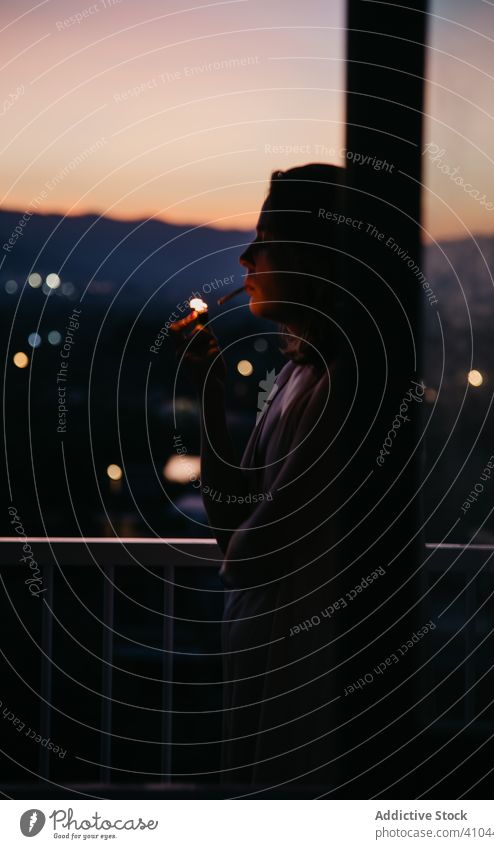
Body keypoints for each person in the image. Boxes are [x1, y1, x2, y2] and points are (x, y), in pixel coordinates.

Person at [175, 164, 356, 794]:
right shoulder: (299, 375)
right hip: (265, 666)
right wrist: (211, 390)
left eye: (266, 240)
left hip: (300, 677)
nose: (247, 257)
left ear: (311, 256)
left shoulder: (342, 385)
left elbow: (249, 549)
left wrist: (246, 547)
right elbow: (235, 519)